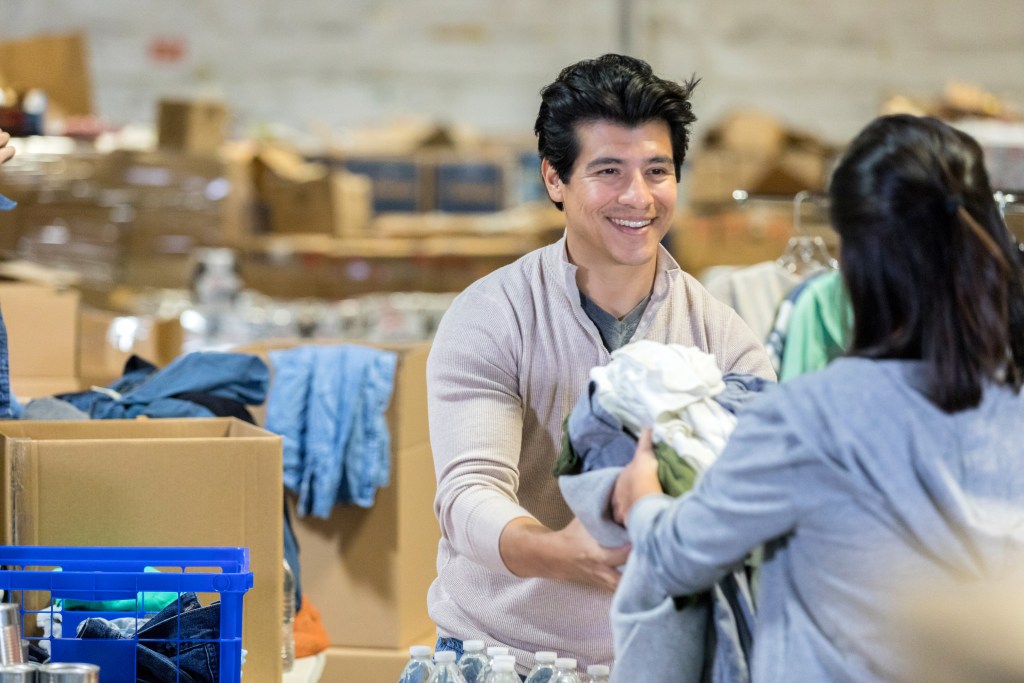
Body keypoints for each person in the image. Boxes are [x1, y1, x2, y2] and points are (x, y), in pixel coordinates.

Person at [612, 113, 1024, 682]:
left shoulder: (811, 419)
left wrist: (643, 502)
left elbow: (682, 555)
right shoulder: (1011, 400)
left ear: (853, 259)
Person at [426, 54, 773, 674]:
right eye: (608, 170)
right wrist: (559, 551)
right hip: (502, 657)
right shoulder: (493, 315)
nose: (637, 197)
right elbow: (467, 494)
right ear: (555, 179)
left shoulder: (723, 339)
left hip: (661, 658)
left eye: (657, 171)